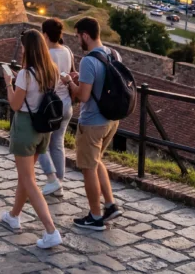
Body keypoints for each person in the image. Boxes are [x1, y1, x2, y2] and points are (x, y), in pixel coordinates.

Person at [0, 29, 62, 249]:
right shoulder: (52, 70)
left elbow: (15, 105)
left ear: (29, 49)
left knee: (28, 180)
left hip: (26, 126)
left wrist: (9, 82)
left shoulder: (26, 75)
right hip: (44, 128)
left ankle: (51, 229)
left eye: (24, 46)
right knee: (25, 176)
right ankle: (14, 215)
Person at [72, 17, 123, 230]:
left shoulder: (88, 61)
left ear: (85, 35)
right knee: (97, 160)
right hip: (111, 119)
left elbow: (83, 96)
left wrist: (70, 83)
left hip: (92, 122)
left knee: (88, 168)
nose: (78, 41)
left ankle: (95, 216)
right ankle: (110, 205)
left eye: (78, 36)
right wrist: (81, 79)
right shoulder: (113, 53)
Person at [38, 18, 78, 196]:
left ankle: (52, 179)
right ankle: (59, 183)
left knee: (40, 142)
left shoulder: (45, 54)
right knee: (58, 144)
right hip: (65, 104)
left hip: (49, 105)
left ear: (45, 34)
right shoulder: (67, 51)